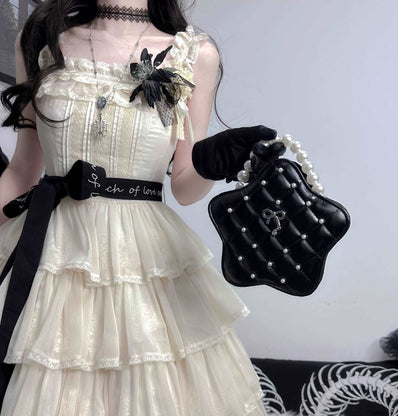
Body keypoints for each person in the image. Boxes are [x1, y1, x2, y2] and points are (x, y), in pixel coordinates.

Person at [0, 0, 276, 414]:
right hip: (44, 253)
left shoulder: (194, 54)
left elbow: (184, 186)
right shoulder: (40, 38)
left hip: (144, 260)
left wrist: (212, 162)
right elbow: (22, 171)